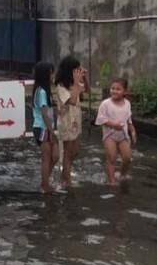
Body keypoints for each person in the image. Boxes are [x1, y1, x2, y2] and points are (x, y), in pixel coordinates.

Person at [95, 78, 137, 186]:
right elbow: (100, 119)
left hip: (123, 135)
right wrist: (113, 125)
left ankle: (122, 174)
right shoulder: (106, 104)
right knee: (111, 158)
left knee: (127, 158)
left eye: (118, 89)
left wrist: (132, 130)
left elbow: (128, 119)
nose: (114, 91)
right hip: (110, 135)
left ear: (125, 91)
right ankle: (111, 180)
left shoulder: (127, 103)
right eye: (112, 88)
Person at [55, 55, 88, 189]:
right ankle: (65, 181)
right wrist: (76, 83)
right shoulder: (61, 87)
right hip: (66, 123)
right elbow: (73, 101)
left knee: (74, 152)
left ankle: (65, 175)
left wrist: (84, 78)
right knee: (68, 154)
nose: (78, 72)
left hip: (75, 122)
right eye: (76, 70)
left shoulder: (73, 85)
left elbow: (87, 89)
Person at [31, 61, 58, 193]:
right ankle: (44, 186)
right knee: (47, 158)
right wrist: (52, 131)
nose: (53, 75)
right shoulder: (41, 92)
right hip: (42, 128)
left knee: (55, 156)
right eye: (51, 72)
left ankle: (45, 179)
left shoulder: (45, 91)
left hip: (46, 128)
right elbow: (44, 114)